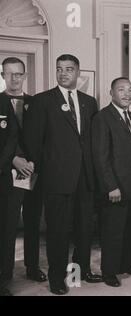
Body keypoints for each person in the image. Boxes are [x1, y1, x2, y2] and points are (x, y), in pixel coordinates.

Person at [23, 54, 102, 295]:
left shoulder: (90, 102)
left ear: (78, 72)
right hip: (57, 179)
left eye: (68, 69)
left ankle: (80, 273)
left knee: (83, 230)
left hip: (85, 179)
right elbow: (33, 143)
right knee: (57, 232)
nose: (63, 73)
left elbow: (91, 142)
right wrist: (42, 176)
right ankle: (57, 278)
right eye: (59, 69)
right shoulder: (42, 101)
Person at [92, 77, 131, 288]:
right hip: (115, 188)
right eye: (121, 90)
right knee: (113, 232)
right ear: (111, 93)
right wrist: (111, 186)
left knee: (130, 231)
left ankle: (127, 265)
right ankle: (109, 272)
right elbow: (100, 157)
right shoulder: (102, 118)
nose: (127, 94)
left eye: (130, 90)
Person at [0, 58, 47, 295]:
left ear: (25, 75)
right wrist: (12, 160)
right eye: (10, 74)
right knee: (7, 228)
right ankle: (4, 278)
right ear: (3, 75)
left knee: (33, 222)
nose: (15, 78)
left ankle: (32, 267)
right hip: (6, 176)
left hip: (33, 173)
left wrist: (32, 162)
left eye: (19, 74)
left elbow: (43, 138)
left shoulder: (35, 103)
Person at [0, 87, 18, 297]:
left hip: (2, 174)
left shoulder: (3, 102)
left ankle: (2, 280)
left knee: (3, 229)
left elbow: (11, 137)